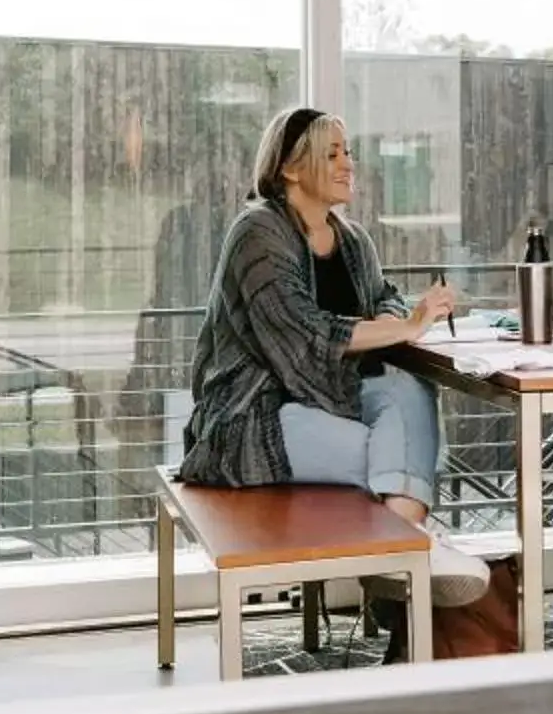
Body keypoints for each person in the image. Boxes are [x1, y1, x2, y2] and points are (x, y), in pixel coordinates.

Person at [181, 104, 490, 607]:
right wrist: (408, 325)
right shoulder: (256, 234)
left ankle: (401, 555)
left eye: (349, 152)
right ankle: (412, 550)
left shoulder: (352, 239)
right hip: (252, 417)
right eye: (332, 154)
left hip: (336, 398)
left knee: (409, 386)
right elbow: (303, 334)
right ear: (290, 167)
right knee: (406, 456)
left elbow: (383, 297)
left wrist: (403, 315)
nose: (349, 164)